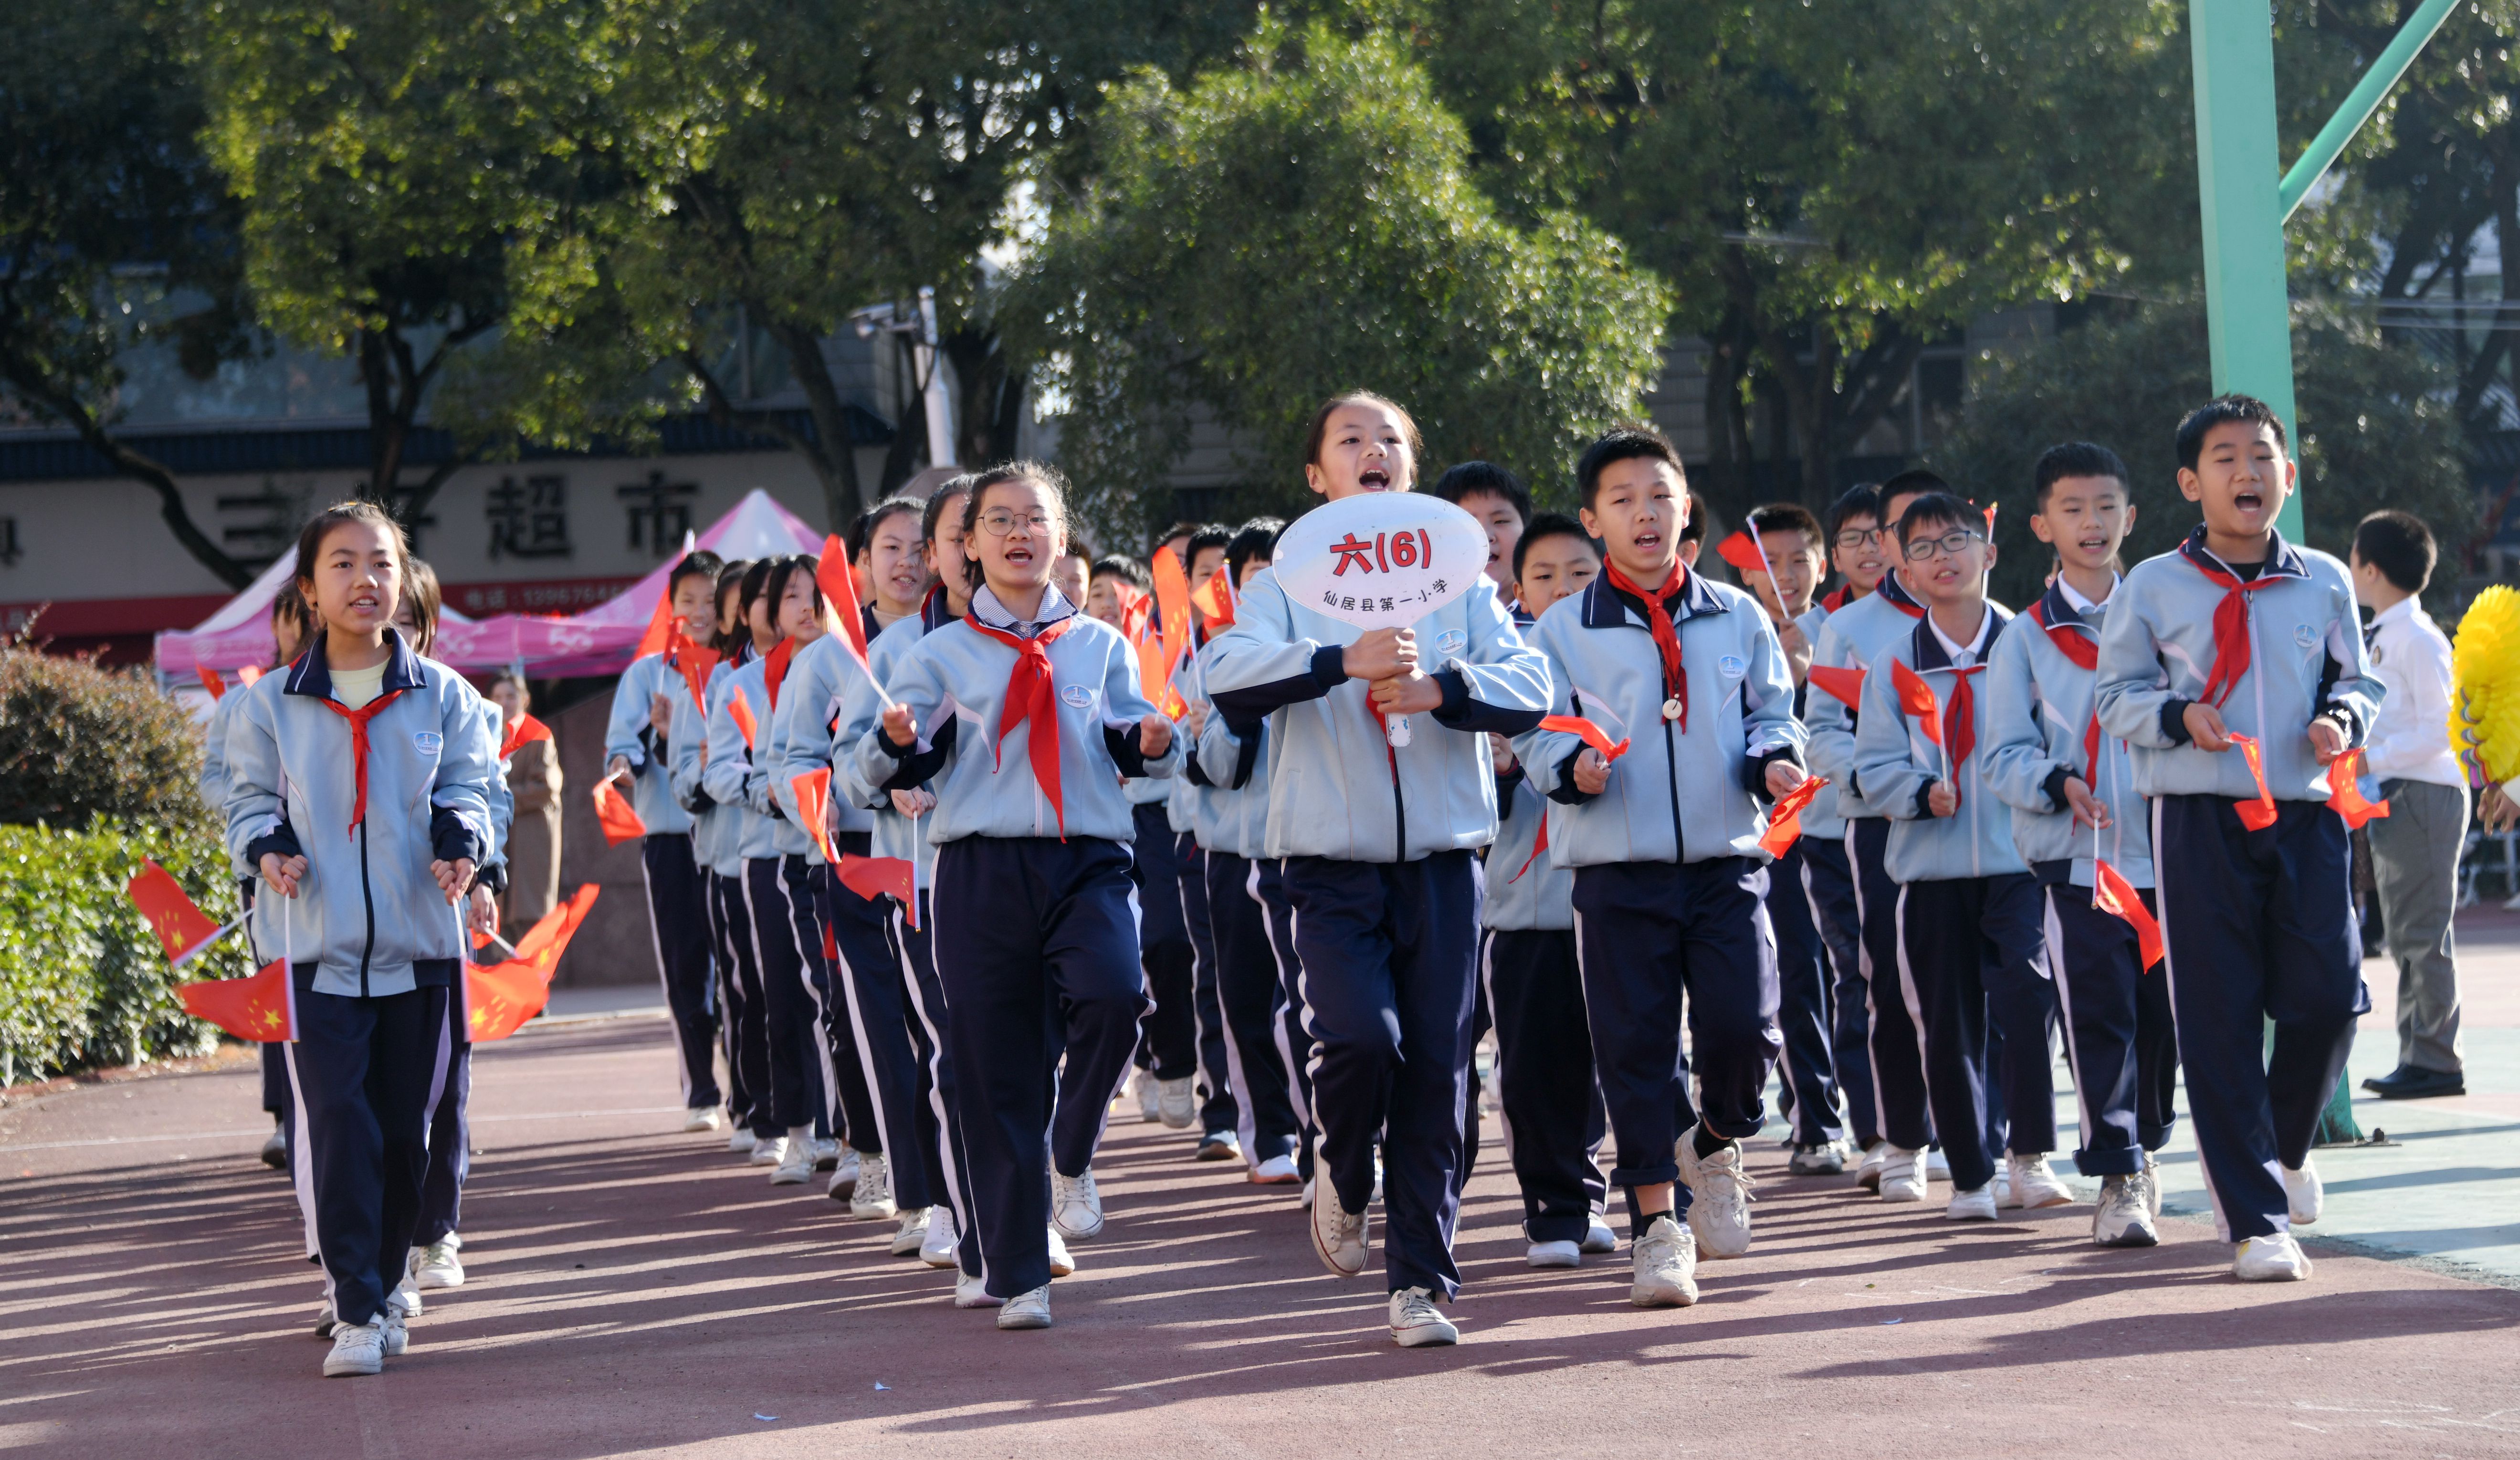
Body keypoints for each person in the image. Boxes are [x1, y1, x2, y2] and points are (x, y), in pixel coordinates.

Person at [1207, 391, 1550, 1349]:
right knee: (1359, 1040)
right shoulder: (1283, 581)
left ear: (1411, 466)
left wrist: (1447, 687)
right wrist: (1333, 659)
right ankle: (1343, 1169)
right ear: (1318, 474)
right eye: (1350, 439)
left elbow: (1532, 685)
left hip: (1443, 863)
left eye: (1391, 438)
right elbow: (1223, 672)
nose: (1374, 451)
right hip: (1324, 863)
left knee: (1437, 1070)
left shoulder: (1464, 584)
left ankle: (1421, 1282)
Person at [855, 461, 1180, 1331]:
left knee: (1118, 996)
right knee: (996, 1067)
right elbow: (875, 769)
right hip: (980, 870)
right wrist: (897, 744)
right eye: (997, 520)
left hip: (1089, 861)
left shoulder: (1102, 645)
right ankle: (1019, 1267)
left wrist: (1152, 738)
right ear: (967, 547)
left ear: (1060, 537)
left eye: (1034, 518)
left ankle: (1070, 1152)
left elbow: (1133, 734)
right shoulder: (937, 655)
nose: (1016, 533)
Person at [1513, 428, 1802, 1306]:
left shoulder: (1739, 615)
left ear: (1688, 511)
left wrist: (1776, 760)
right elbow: (1538, 731)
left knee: (1746, 1032)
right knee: (1635, 1050)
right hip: (1617, 869)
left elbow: (1771, 713)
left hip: (1726, 862)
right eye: (1624, 499)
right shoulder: (1561, 629)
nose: (1646, 513)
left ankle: (1714, 1140)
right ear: (1598, 522)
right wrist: (1572, 771)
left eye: (1661, 495)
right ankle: (1657, 1228)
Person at [2096, 395, 2382, 1282]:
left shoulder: (2325, 578)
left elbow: (2358, 679)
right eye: (2225, 458)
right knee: (2217, 1019)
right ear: (2192, 483)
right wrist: (2181, 716)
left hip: (2303, 814)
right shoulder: (2150, 584)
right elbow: (2116, 698)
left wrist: (2342, 716)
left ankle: (2283, 1147)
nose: (2247, 473)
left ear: (2288, 475)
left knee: (2329, 998)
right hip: (2196, 819)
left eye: (2263, 456)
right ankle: (2258, 1221)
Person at [222, 501, 497, 1376]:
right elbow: (247, 798)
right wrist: (267, 842)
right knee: (340, 1124)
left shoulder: (445, 694)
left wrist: (464, 839)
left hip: (423, 948)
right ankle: (355, 1304)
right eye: (342, 564)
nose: (365, 579)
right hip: (318, 952)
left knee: (407, 1135)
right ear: (308, 589)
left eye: (380, 562)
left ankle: (384, 1282)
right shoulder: (268, 704)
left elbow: (473, 785)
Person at [1853, 491, 2064, 1223]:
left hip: (2020, 861)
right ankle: (1972, 1175)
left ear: (1991, 552)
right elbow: (1870, 767)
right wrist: (1916, 792)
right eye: (1924, 548)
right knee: (1945, 1021)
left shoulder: (2032, 645)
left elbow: (2057, 741)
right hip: (1931, 871)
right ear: (1904, 571)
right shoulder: (1893, 668)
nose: (1944, 557)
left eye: (1958, 541)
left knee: (2028, 999)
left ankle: (2030, 1157)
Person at [1984, 443, 2175, 1246]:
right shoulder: (2023, 639)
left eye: (2106, 507)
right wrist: (2056, 780)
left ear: (2131, 517)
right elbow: (2002, 755)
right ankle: (2120, 1170)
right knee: (2098, 1014)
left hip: (2176, 850)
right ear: (2041, 526)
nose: (2092, 523)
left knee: (2164, 1021)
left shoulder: (2169, 610)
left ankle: (2146, 1140)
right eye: (2073, 508)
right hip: (2077, 860)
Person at [834, 475, 985, 1288]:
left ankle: (1044, 1177)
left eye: (987, 528)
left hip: (1034, 876)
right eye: (954, 537)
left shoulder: (1064, 638)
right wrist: (888, 770)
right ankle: (954, 1209)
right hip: (911, 871)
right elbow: (840, 767)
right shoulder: (881, 657)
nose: (969, 549)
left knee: (1034, 1043)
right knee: (943, 1044)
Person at [1478, 511, 1617, 1269]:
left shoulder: (1624, 652)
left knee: (1607, 1052)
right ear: (1516, 584)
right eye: (1543, 576)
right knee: (1533, 1061)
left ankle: (1594, 1191)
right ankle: (1554, 1206)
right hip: (1523, 898)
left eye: (1579, 574)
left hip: (1608, 890)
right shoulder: (1498, 662)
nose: (1562, 589)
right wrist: (1495, 765)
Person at [1805, 471, 1947, 1200]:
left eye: (1942, 530)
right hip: (1879, 829)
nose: (1924, 544)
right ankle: (1898, 1135)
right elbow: (1820, 734)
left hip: (1971, 830)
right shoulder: (1851, 628)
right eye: (1903, 530)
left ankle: (1977, 1129)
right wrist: (1878, 782)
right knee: (1887, 978)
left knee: (1975, 979)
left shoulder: (1995, 622)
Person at [1730, 501, 1854, 1174]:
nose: (1785, 574)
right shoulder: (1744, 632)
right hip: (1778, 828)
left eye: (1797, 560)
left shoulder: (1843, 628)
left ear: (1820, 562)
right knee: (1796, 967)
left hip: (1842, 823)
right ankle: (1815, 1116)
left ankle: (1874, 1111)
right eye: (1768, 563)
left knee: (1855, 969)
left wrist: (1813, 672)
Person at [1185, 517, 1307, 1186]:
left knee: (1313, 999)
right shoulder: (1218, 657)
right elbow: (1211, 766)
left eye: (1277, 568)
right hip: (1236, 851)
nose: (1266, 582)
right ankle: (1271, 1130)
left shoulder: (1328, 650)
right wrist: (1229, 718)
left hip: (1310, 847)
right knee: (1247, 994)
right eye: (1252, 571)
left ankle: (1328, 1130)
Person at [603, 550, 728, 1132]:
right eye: (689, 600)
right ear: (672, 608)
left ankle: (755, 1095)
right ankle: (702, 1087)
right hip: (673, 837)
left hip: (735, 836)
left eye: (711, 599)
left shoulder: (738, 668)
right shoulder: (647, 673)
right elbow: (619, 752)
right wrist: (640, 750)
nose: (701, 611)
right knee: (687, 968)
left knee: (743, 970)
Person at [2351, 509, 2467, 1100]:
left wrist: (2372, 759)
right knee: (2405, 929)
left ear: (2371, 569)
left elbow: (2442, 729)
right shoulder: (2385, 636)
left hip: (2423, 791)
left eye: (2353, 559)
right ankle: (2419, 1053)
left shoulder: (2417, 640)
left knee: (2422, 931)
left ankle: (2437, 1059)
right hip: (2402, 793)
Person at [1790, 485, 1889, 1174]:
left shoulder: (1947, 617)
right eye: (1854, 536)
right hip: (1834, 829)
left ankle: (1957, 1126)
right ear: (1837, 553)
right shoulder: (1817, 629)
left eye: (1882, 533)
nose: (1870, 548)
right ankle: (1878, 1128)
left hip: (1929, 826)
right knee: (1856, 974)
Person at [1125, 525, 1229, 1135]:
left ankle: (1227, 1104)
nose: (1205, 581)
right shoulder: (1149, 645)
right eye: (1190, 568)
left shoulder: (1249, 640)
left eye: (1215, 567)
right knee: (1166, 943)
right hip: (1156, 816)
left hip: (1227, 824)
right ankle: (1174, 1063)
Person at [1162, 523, 1243, 1160]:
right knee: (1215, 972)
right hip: (1201, 835)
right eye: (1205, 573)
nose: (1218, 584)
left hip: (1275, 837)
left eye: (1228, 571)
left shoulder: (1264, 647)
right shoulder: (1177, 657)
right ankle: (1223, 1108)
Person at [488, 672, 562, 935]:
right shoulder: (487, 738)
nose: (504, 703)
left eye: (511, 696)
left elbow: (547, 788)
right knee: (499, 916)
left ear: (526, 699)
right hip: (500, 836)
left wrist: (499, 795)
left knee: (530, 914)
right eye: (497, 697)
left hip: (530, 837)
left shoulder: (538, 736)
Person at [1431, 460, 1530, 593]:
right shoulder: (1419, 611)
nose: (1486, 536)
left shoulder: (1553, 611)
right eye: (1467, 524)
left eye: (1500, 521)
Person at [855, 498, 931, 635]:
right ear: (866, 558)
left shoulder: (953, 639)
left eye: (920, 550)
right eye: (893, 547)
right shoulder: (841, 649)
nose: (907, 562)